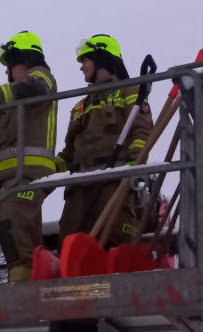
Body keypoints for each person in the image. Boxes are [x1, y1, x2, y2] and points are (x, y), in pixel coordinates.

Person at [0, 31, 58, 283]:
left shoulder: (41, 78)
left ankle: (24, 289)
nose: (7, 72)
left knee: (15, 230)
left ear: (25, 59)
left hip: (26, 172)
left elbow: (31, 90)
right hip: (2, 177)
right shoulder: (10, 97)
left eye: (10, 64)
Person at [57, 34, 152, 247]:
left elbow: (142, 132)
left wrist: (133, 168)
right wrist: (42, 174)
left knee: (114, 240)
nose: (81, 67)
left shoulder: (130, 92)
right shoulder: (80, 106)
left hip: (114, 183)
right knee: (70, 244)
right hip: (78, 189)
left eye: (85, 60)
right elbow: (68, 154)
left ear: (102, 59)